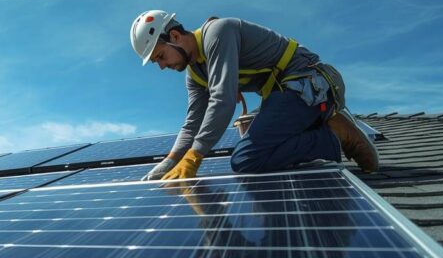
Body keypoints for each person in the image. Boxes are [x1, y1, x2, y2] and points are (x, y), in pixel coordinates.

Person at [129, 10, 379, 180]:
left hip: (307, 83)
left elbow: (223, 100)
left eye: (160, 56)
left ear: (174, 36)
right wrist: (170, 162)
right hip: (282, 99)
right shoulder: (194, 75)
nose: (161, 66)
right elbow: (192, 123)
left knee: (246, 159)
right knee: (259, 153)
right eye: (155, 62)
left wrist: (195, 155)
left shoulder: (218, 32)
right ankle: (319, 129)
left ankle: (337, 134)